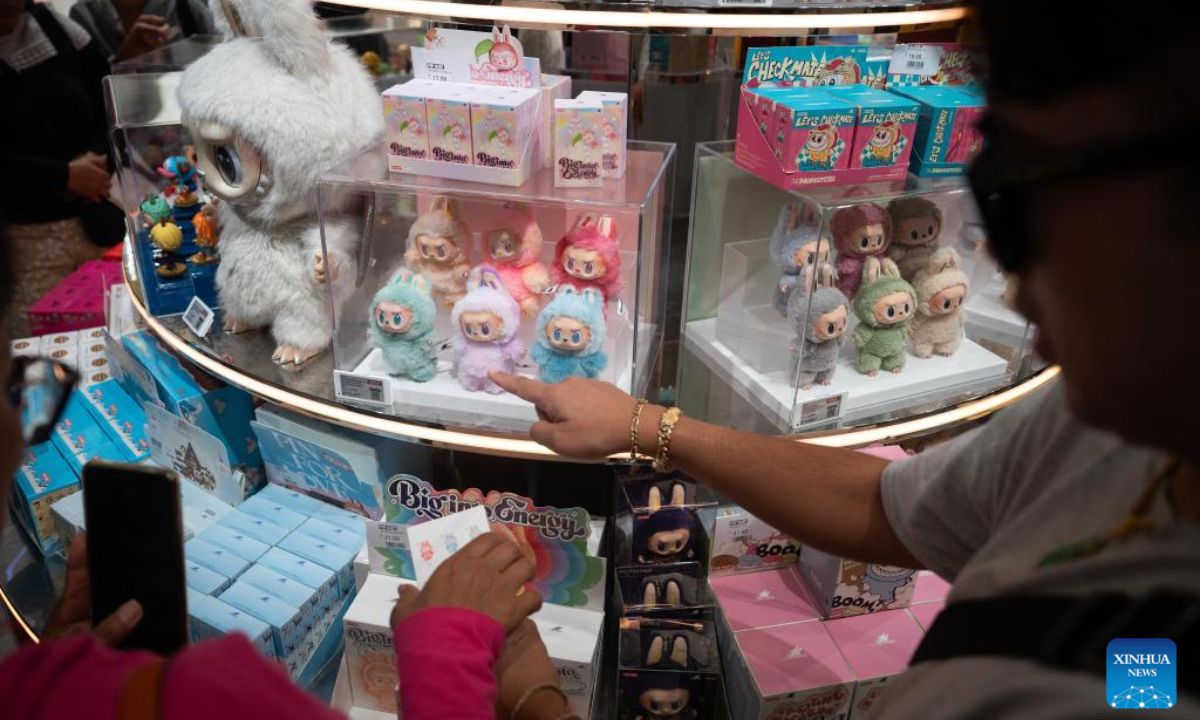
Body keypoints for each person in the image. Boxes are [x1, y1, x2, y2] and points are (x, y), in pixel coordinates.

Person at [490, 4, 1200, 718]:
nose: (1009, 281)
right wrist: (647, 425)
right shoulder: (1101, 435)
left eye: (1015, 194)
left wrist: (528, 697)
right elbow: (890, 508)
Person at [0, 223, 572, 720]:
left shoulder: (29, 686)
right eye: (12, 384)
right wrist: (446, 654)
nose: (27, 427)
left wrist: (53, 669)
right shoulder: (218, 692)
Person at [0, 0, 118, 339]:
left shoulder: (54, 26)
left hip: (97, 220)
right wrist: (62, 175)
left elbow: (108, 100)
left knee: (119, 338)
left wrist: (95, 161)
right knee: (41, 351)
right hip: (23, 240)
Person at [69, 0, 215, 63]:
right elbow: (89, 87)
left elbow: (222, 66)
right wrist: (128, 54)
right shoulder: (83, 14)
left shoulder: (187, 6)